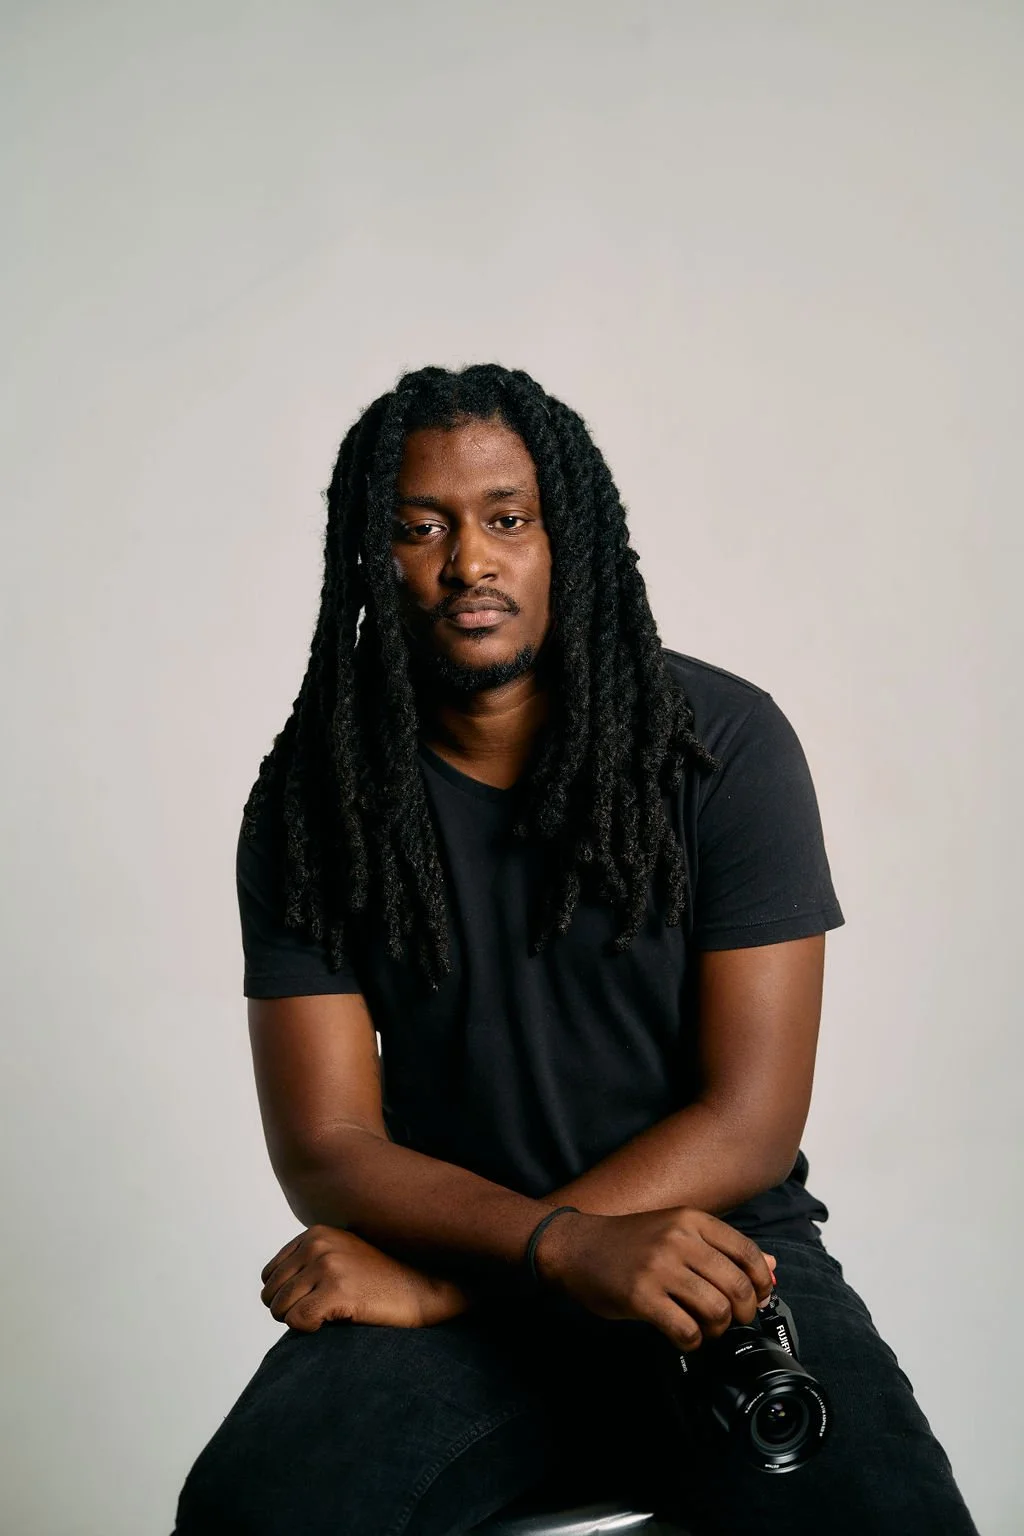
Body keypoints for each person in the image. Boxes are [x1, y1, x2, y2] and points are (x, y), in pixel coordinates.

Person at [172, 364, 978, 1536]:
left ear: (568, 540)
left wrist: (468, 1281)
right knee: (255, 1509)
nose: (470, 561)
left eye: (507, 519)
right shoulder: (314, 800)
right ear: (366, 556)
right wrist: (544, 1254)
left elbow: (749, 1119)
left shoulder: (721, 746)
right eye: (420, 527)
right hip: (450, 1245)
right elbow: (327, 1144)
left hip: (708, 1252)